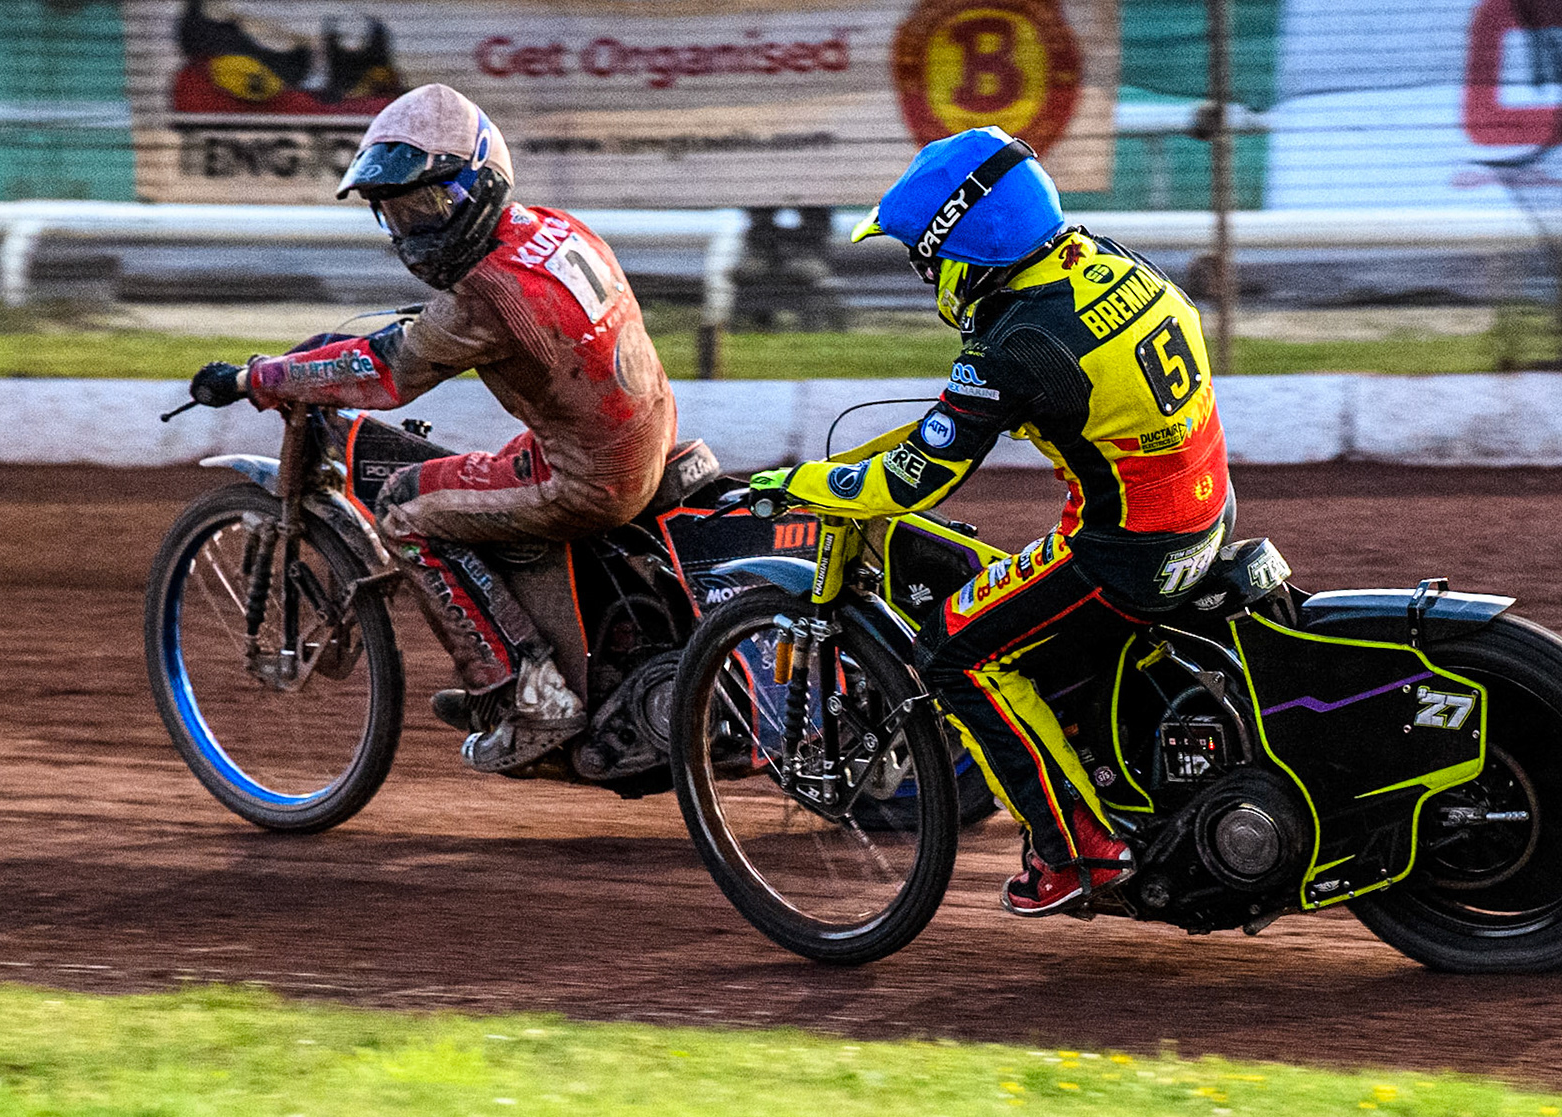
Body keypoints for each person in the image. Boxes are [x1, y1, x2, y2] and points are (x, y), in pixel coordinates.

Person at [748, 126, 1233, 917]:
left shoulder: (1013, 344)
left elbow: (915, 478)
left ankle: (1078, 850)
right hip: (1206, 512)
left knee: (952, 650)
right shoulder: (1113, 263)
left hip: (1128, 550)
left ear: (964, 246)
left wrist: (803, 482)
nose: (927, 277)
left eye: (926, 260)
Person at [187, 83, 677, 773]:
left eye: (429, 205)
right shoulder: (553, 227)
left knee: (405, 509)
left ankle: (528, 694)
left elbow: (387, 375)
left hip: (590, 476)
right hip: (642, 433)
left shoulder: (485, 296)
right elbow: (440, 333)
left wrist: (254, 378)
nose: (415, 228)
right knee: (472, 477)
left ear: (480, 185)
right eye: (398, 211)